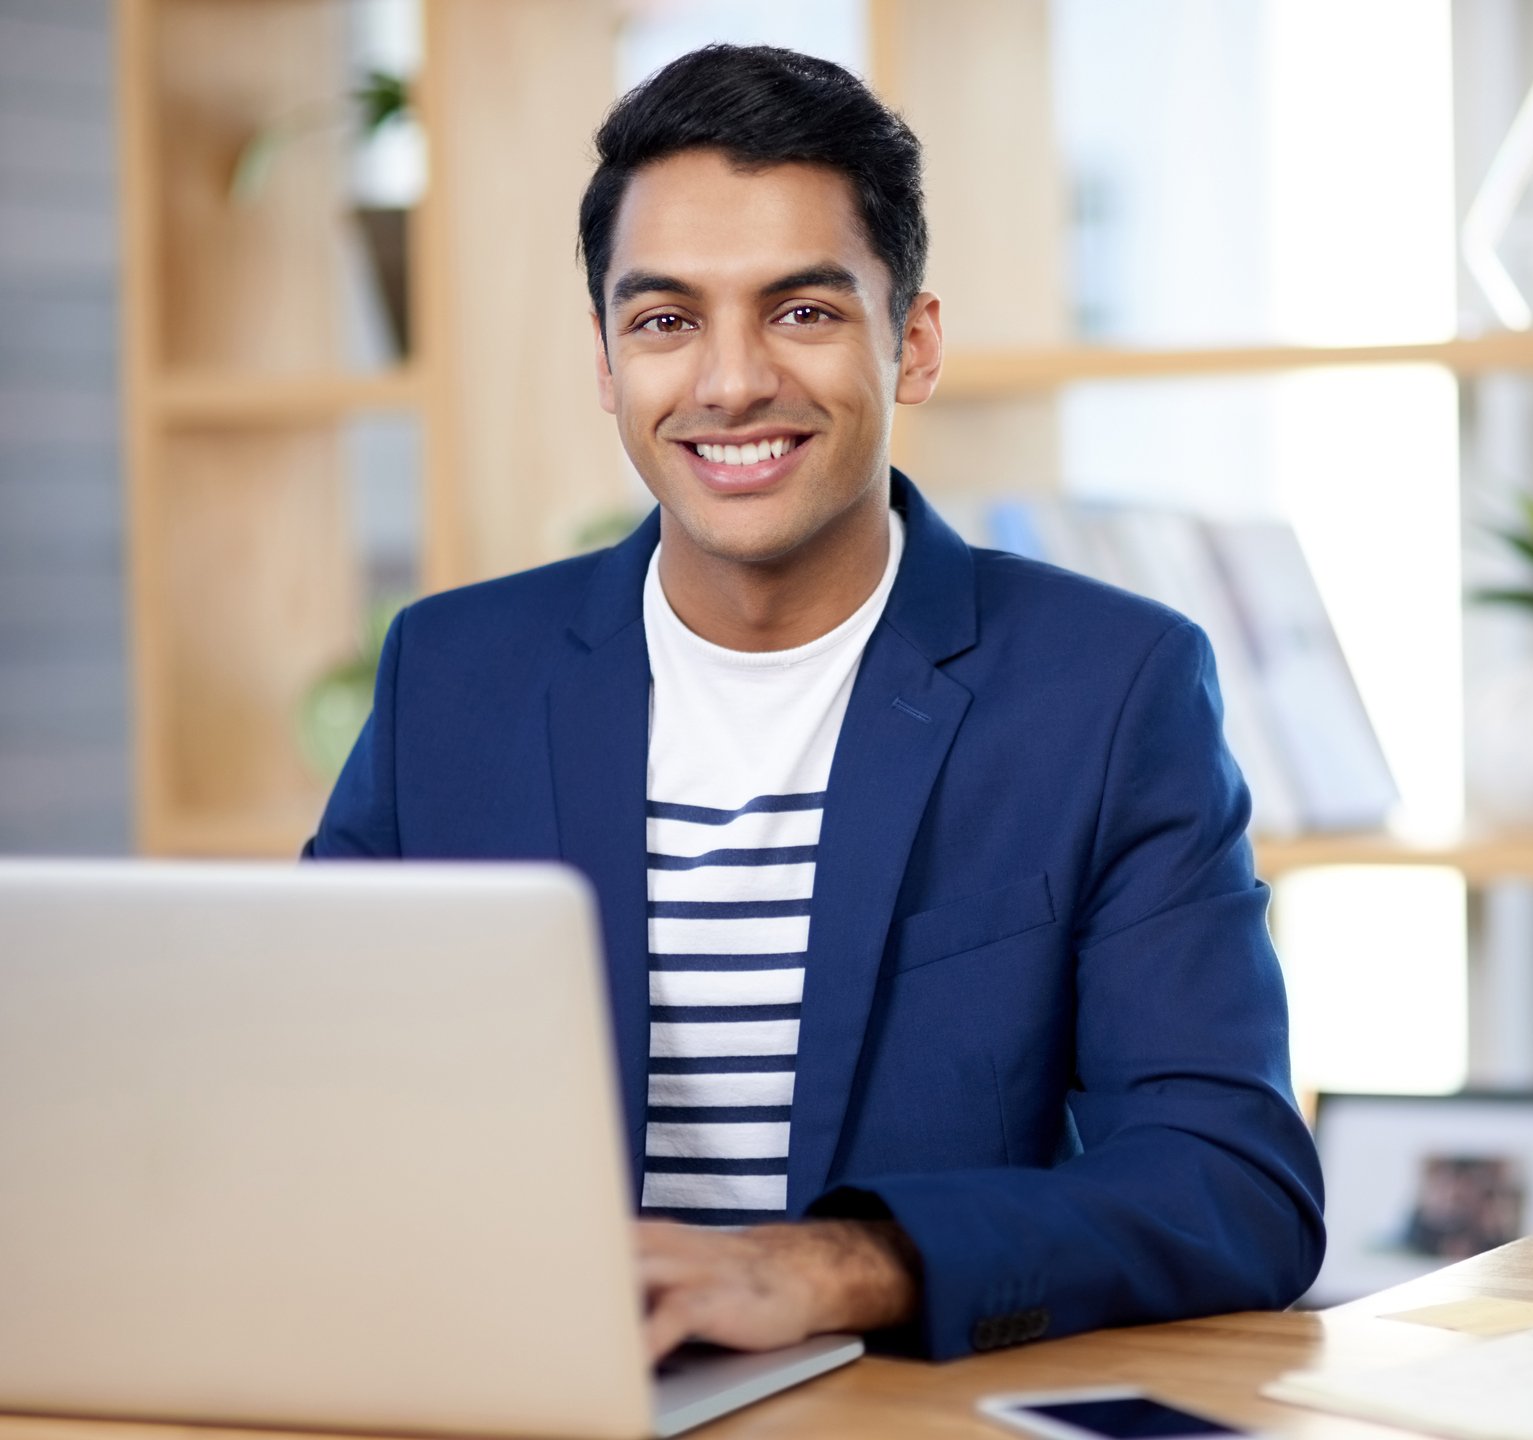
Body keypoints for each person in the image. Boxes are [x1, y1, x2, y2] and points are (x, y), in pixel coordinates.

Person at [307, 43, 1324, 1362]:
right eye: (665, 319)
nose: (730, 383)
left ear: (911, 342)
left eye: (801, 311)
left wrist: (839, 1267)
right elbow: (313, 1104)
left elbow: (1231, 1187)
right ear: (608, 362)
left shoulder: (1107, 688)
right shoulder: (451, 673)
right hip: (530, 1389)